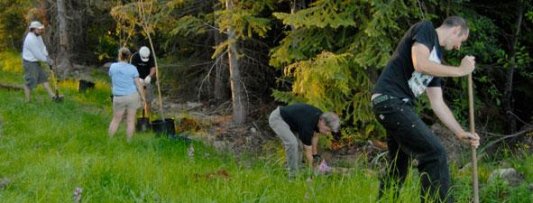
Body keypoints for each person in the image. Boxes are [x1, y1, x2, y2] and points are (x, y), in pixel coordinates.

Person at [371, 16, 480, 202]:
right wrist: (460, 71)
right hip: (391, 101)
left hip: (395, 105)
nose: (458, 47)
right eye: (460, 41)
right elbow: (419, 63)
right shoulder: (426, 29)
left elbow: (437, 103)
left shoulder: (436, 59)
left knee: (399, 164)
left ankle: (386, 199)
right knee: (434, 153)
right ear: (455, 30)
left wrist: (460, 132)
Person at [268, 103, 340, 178]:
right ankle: (292, 176)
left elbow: (315, 135)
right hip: (278, 118)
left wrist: (315, 156)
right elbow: (308, 151)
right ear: (322, 122)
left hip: (292, 122)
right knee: (292, 143)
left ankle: (296, 168)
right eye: (327, 130)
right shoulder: (308, 126)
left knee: (299, 145)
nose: (328, 133)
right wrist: (313, 168)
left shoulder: (320, 117)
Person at [108, 47, 145, 142]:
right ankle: (129, 142)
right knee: (131, 120)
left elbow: (112, 79)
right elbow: (139, 85)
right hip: (132, 97)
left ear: (119, 55)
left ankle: (109, 140)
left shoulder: (113, 67)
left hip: (118, 97)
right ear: (129, 57)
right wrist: (143, 98)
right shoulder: (133, 68)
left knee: (116, 120)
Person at [21, 21, 60, 102]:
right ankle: (27, 101)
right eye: (39, 29)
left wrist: (47, 56)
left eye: (41, 29)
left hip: (35, 62)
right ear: (33, 29)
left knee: (44, 79)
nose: (41, 30)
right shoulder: (30, 39)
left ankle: (53, 97)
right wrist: (47, 60)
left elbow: (42, 47)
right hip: (29, 63)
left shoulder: (38, 36)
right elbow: (37, 54)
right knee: (30, 82)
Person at [130, 46, 156, 116]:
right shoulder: (135, 57)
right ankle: (134, 116)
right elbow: (132, 70)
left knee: (148, 99)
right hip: (137, 80)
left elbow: (153, 68)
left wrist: (150, 76)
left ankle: (148, 116)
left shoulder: (150, 57)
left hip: (147, 80)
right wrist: (138, 78)